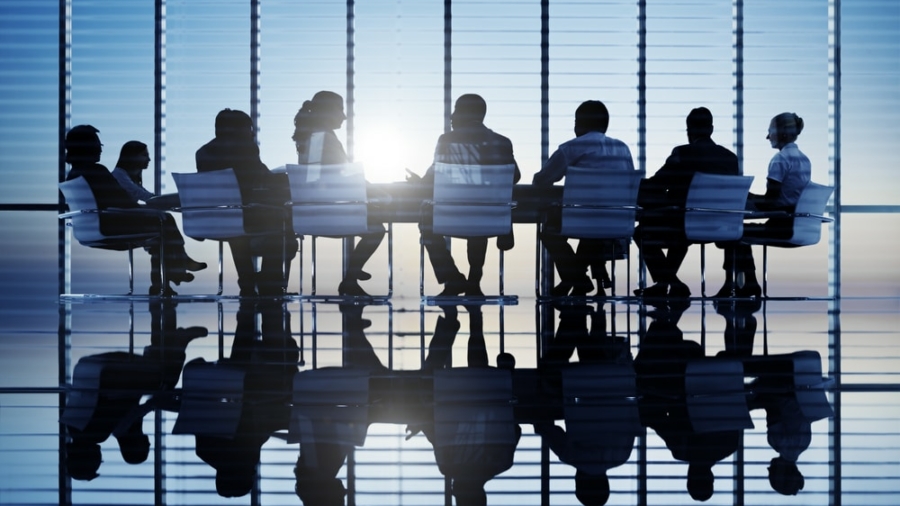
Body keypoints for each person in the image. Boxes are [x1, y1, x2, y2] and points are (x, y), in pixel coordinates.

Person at [64, 125, 203, 295]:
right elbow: (122, 202)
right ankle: (177, 268)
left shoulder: (73, 175)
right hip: (111, 226)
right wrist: (148, 210)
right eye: (98, 145)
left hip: (89, 229)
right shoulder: (97, 171)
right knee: (165, 220)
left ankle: (167, 278)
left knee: (160, 228)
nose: (100, 150)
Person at [409, 94, 521, 297]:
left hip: (452, 214)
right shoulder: (502, 142)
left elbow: (433, 178)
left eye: (455, 110)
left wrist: (418, 182)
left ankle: (452, 279)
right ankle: (474, 280)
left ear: (463, 113)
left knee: (426, 223)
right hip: (490, 217)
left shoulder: (446, 141)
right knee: (478, 219)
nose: (451, 116)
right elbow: (515, 176)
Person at [532, 100, 637, 297]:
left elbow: (542, 180)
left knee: (550, 230)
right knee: (592, 232)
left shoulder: (571, 148)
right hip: (617, 221)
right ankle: (576, 281)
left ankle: (577, 278)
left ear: (580, 123)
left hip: (583, 219)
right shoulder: (623, 149)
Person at [634, 107, 740, 298]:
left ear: (689, 130)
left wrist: (634, 185)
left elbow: (658, 183)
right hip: (721, 227)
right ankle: (666, 284)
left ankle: (670, 282)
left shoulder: (683, 153)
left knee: (640, 232)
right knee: (679, 230)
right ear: (712, 129)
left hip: (685, 224)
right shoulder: (730, 158)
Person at [291, 91, 386, 297]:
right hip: (332, 213)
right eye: (340, 110)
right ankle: (350, 278)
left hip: (309, 215)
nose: (344, 116)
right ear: (328, 112)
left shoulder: (307, 138)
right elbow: (344, 174)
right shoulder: (325, 138)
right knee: (377, 229)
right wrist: (374, 188)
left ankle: (353, 272)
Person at [195, 109, 297, 296]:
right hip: (247, 215)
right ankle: (269, 279)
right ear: (240, 129)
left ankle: (248, 281)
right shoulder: (245, 147)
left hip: (216, 218)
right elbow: (258, 178)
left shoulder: (202, 152)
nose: (252, 132)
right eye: (249, 128)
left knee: (237, 222)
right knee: (282, 220)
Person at [715, 112, 811, 298]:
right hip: (797, 224)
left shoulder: (780, 160)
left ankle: (736, 286)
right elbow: (784, 198)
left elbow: (771, 203)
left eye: (770, 132)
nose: (768, 137)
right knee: (737, 233)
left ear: (781, 133)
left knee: (731, 233)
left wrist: (746, 197)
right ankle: (746, 285)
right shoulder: (804, 159)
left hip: (780, 226)